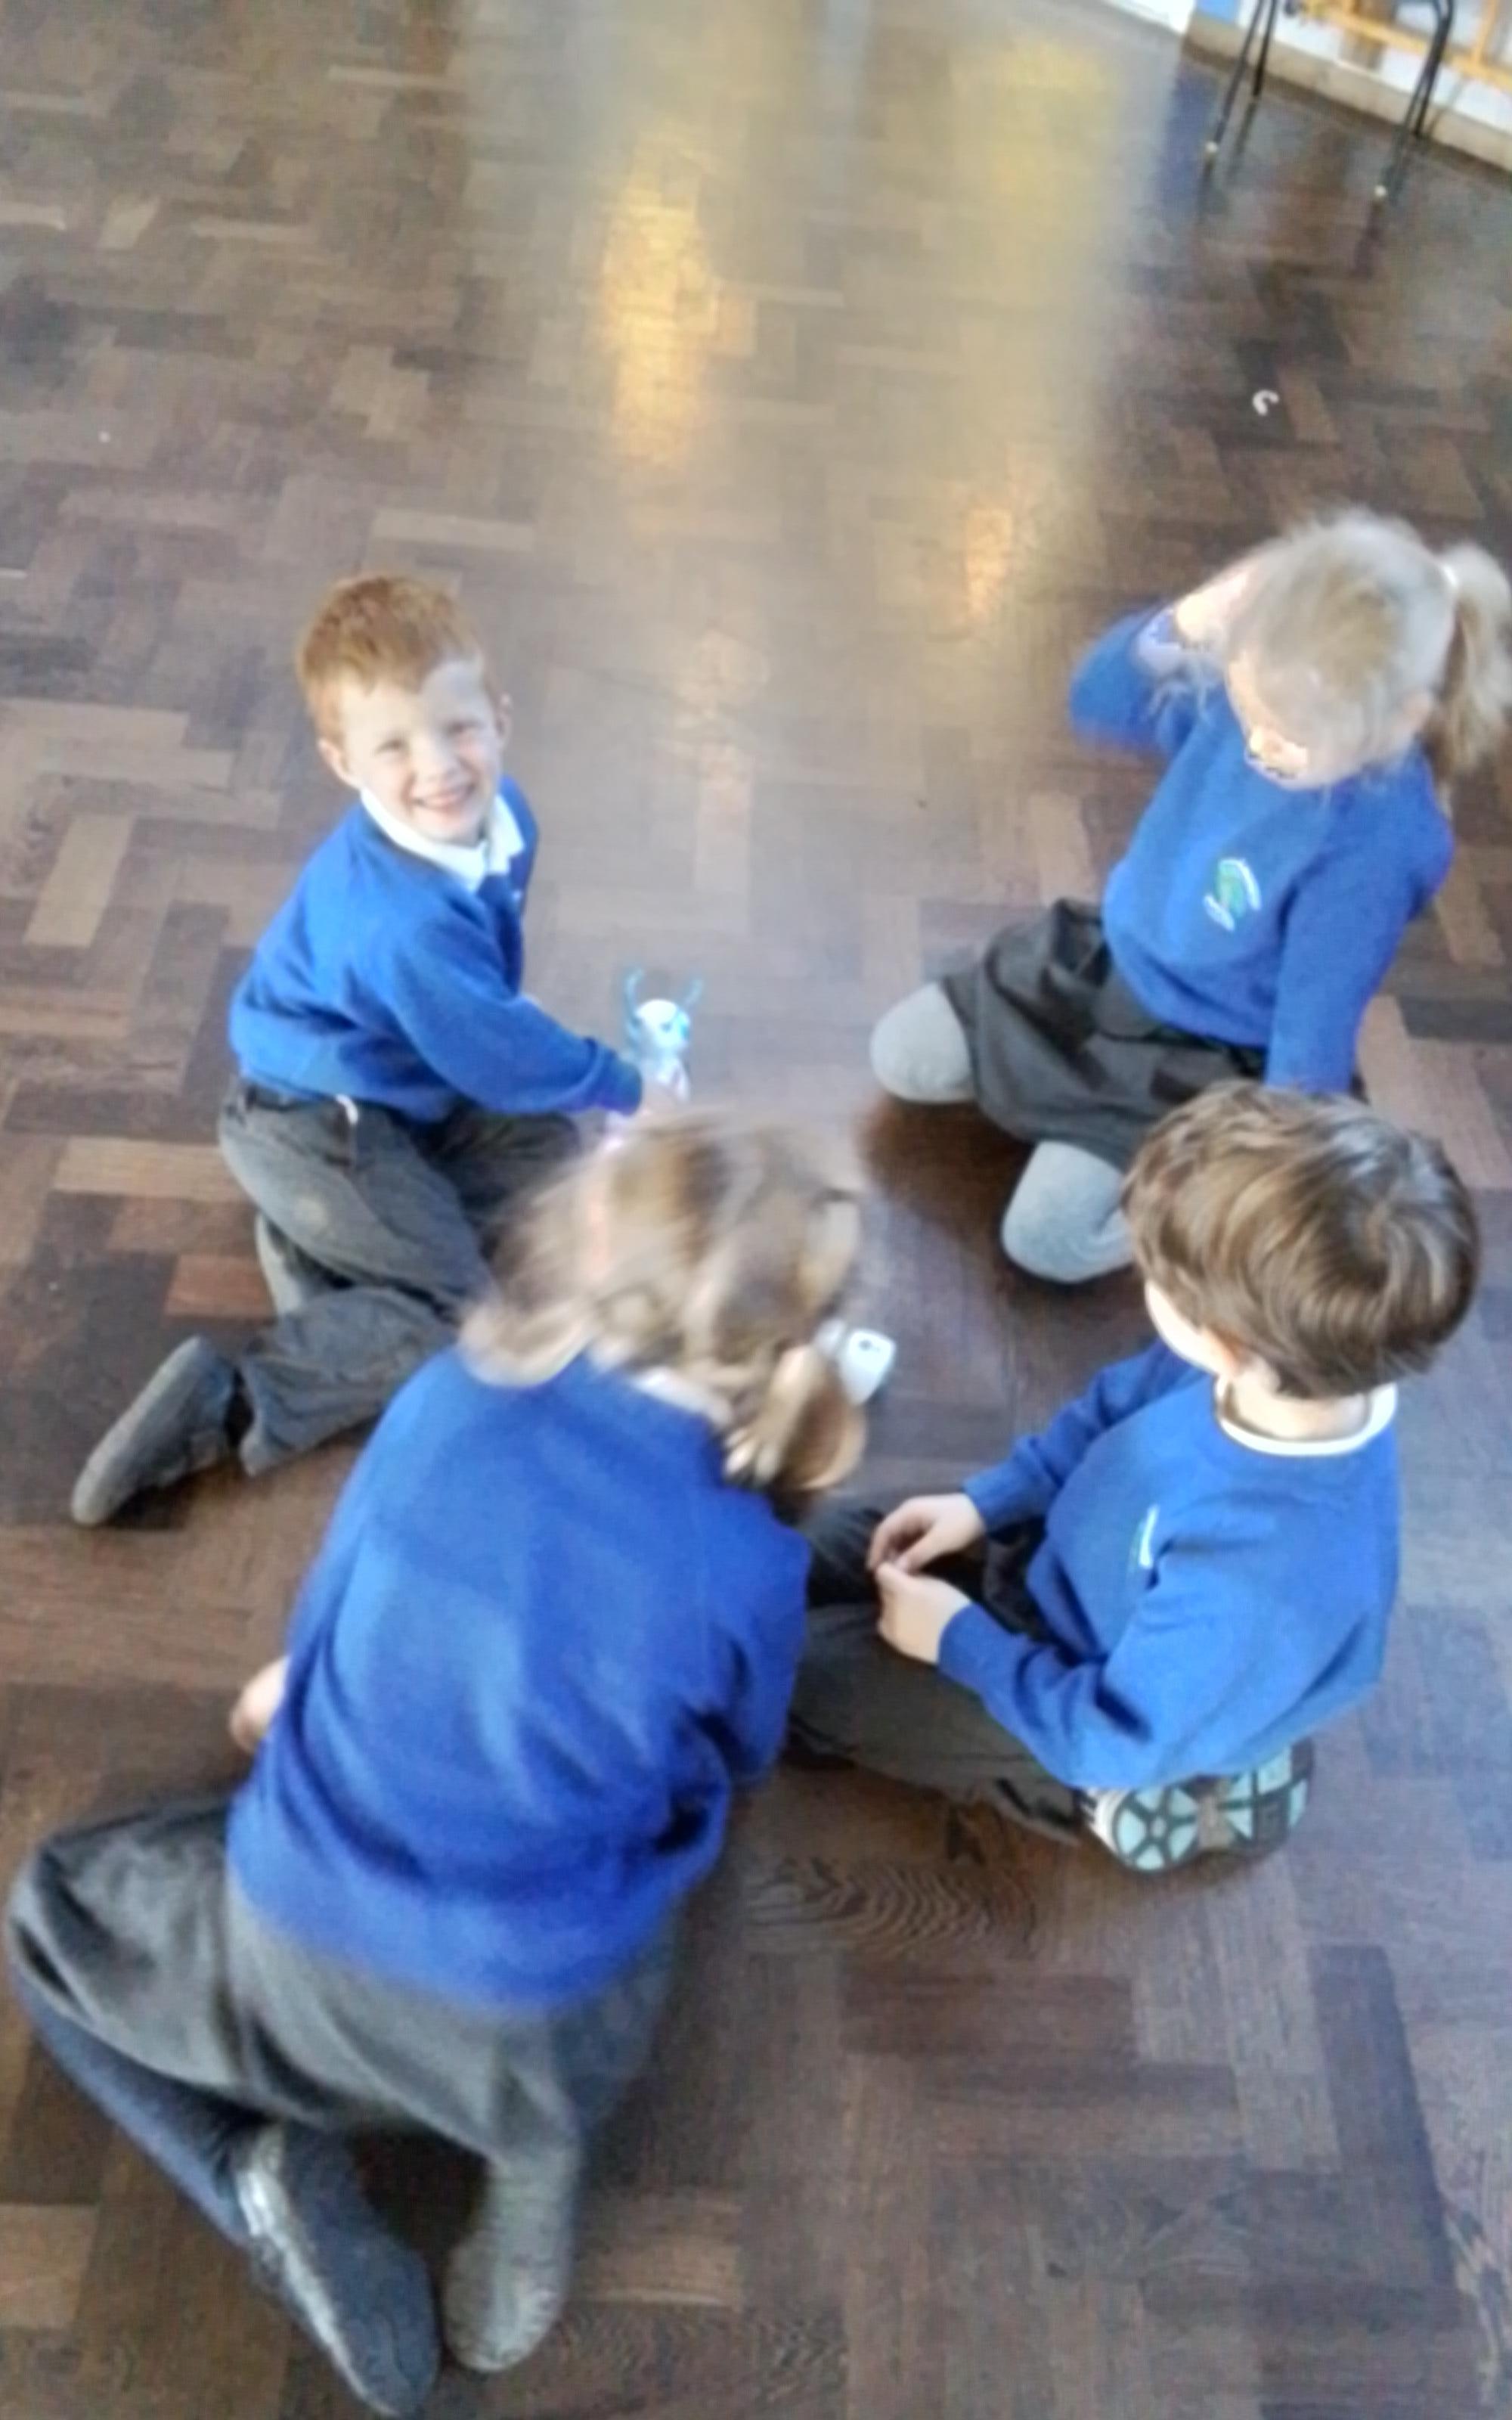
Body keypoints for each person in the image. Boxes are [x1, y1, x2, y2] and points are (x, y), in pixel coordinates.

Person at [11, 1116, 863, 2415]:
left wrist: (295, 1695)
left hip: (296, 1944)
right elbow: (741, 1755)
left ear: (589, 1253)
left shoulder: (447, 1402)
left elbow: (321, 1627)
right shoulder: (751, 1556)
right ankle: (531, 2177)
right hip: (544, 2007)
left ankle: (249, 2174)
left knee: (50, 1918)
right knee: (639, 1889)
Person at [72, 573, 644, 1525]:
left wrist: (529, 1056)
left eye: (459, 728)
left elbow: (482, 1006)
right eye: (395, 746)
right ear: (342, 763)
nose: (439, 767)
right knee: (462, 1321)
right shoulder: (398, 919)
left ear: (500, 718)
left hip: (401, 1086)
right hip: (310, 1118)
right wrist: (620, 1081)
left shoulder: (508, 818)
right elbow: (495, 1047)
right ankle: (231, 1400)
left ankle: (336, 1246)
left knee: (551, 1156)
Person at [792, 1084, 1478, 1873]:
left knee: (797, 1677)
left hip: (1100, 1713)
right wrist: (987, 1501)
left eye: (1155, 1275)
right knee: (799, 1549)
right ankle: (1197, 1727)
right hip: (1067, 1578)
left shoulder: (1264, 1579)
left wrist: (959, 1642)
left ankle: (1152, 1792)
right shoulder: (1265, 1366)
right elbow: (1106, 1412)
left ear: (1227, 1342)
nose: (1141, 1275)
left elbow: (1107, 1735)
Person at [872, 511, 1512, 1283]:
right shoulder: (1258, 699)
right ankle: (1069, 1113)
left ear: (1399, 724)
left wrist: (1268, 1174)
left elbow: (1315, 1020)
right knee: (900, 1057)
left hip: (1198, 1053)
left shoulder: (1374, 844)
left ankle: (1168, 1165)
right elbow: (1098, 698)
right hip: (1106, 969)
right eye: (1249, 713)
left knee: (1045, 1241)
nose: (1258, 747)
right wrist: (1187, 622)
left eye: (1287, 742)